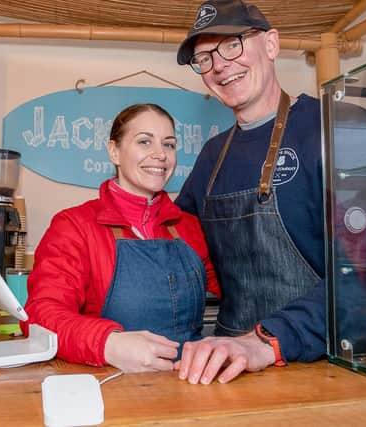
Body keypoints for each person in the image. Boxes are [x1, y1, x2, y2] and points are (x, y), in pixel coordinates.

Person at [173, 0, 366, 384]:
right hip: (229, 366)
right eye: (204, 57)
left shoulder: (339, 126)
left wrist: (266, 341)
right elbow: (177, 250)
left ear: (271, 44)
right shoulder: (213, 156)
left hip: (327, 364)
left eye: (232, 44)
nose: (219, 65)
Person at [21, 104, 220, 373]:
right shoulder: (74, 227)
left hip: (191, 381)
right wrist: (108, 344)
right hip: (112, 385)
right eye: (144, 142)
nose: (160, 154)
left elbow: (226, 303)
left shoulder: (189, 228)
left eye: (169, 144)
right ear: (114, 151)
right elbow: (41, 316)